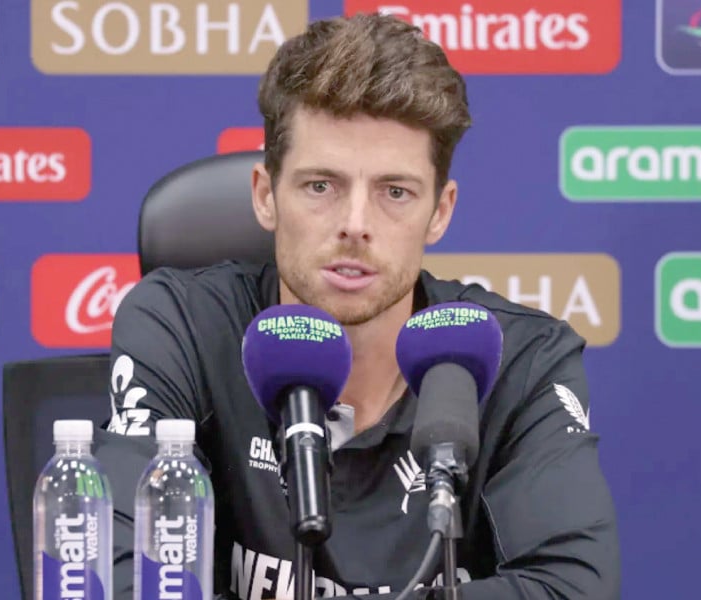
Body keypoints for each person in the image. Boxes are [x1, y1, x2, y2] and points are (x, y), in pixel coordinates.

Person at [96, 12, 620, 600]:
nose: (355, 225)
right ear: (266, 195)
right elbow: (117, 577)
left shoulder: (519, 359)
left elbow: (571, 587)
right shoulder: (183, 327)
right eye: (321, 185)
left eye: (395, 192)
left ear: (440, 212)